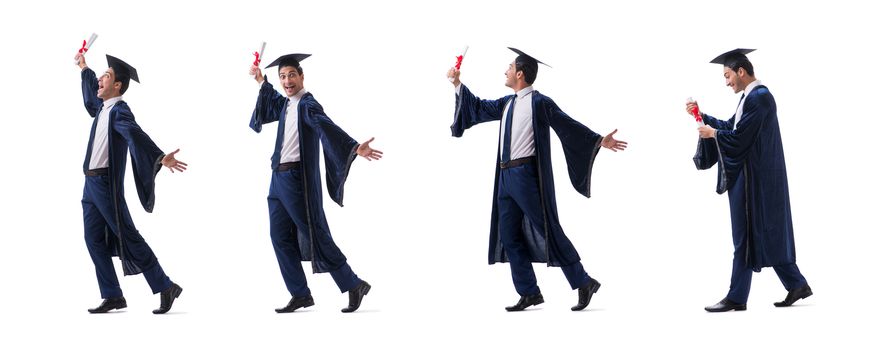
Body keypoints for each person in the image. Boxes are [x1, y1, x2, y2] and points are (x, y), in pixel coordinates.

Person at [446, 47, 627, 311]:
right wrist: (457, 83)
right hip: (505, 177)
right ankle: (529, 292)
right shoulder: (507, 103)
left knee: (547, 229)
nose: (505, 71)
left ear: (520, 73)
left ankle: (583, 281)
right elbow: (478, 108)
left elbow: (567, 124)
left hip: (526, 177)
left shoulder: (540, 103)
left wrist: (599, 140)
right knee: (508, 235)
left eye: (509, 67)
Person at [248, 53, 382, 313]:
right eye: (283, 76)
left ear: (302, 77)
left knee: (315, 233)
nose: (287, 81)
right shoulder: (286, 103)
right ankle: (300, 294)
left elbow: (325, 126)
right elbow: (271, 99)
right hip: (276, 179)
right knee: (278, 236)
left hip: (296, 180)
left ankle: (352, 283)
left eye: (292, 75)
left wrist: (354, 148)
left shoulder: (307, 105)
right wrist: (260, 79)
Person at [687, 48, 813, 312]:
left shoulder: (761, 98)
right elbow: (733, 127)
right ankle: (797, 284)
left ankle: (737, 296)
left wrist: (713, 134)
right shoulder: (751, 97)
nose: (726, 81)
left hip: (755, 178)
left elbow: (739, 138)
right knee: (767, 231)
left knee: (744, 235)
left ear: (741, 71)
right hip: (757, 176)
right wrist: (702, 117)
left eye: (728, 75)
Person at [74, 52, 187, 314]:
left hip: (105, 185)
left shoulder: (119, 111)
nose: (100, 79)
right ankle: (112, 295)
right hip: (89, 186)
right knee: (93, 239)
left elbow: (135, 134)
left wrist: (159, 158)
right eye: (101, 74)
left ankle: (164, 285)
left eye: (107, 76)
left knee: (128, 235)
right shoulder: (102, 108)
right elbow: (91, 97)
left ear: (118, 86)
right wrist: (84, 68)